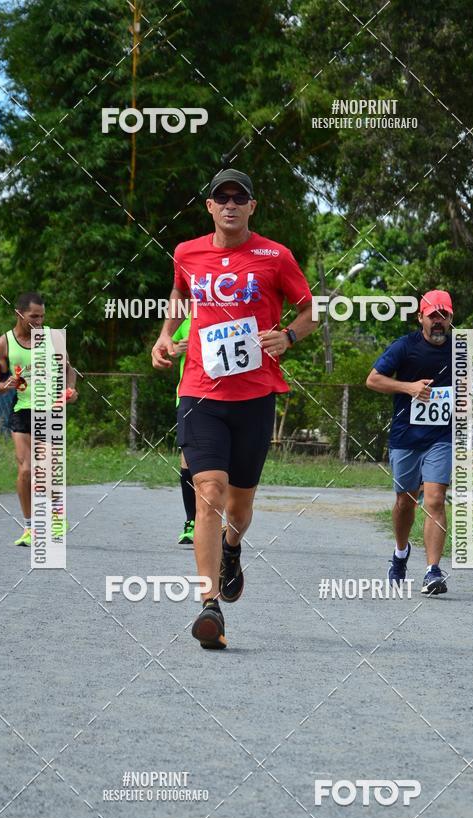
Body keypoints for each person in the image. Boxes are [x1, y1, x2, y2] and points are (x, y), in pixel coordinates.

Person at [152, 168, 317, 649]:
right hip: (199, 392)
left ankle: (232, 548)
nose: (229, 204)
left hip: (254, 396)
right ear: (209, 207)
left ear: (251, 206)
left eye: (238, 197)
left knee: (239, 509)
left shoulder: (274, 256)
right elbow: (181, 294)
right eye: (220, 197)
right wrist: (165, 335)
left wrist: (287, 335)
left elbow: (310, 311)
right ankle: (208, 605)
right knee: (209, 493)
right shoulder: (187, 253)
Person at [365, 290, 453, 595]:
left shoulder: (461, 350)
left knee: (435, 500)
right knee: (405, 501)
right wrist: (409, 387)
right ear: (421, 318)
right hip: (406, 438)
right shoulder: (405, 346)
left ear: (451, 318)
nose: (439, 322)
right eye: (433, 316)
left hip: (442, 438)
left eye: (444, 316)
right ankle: (400, 554)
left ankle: (432, 571)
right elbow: (373, 379)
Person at [0, 292, 78, 546]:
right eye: (34, 316)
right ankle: (30, 528)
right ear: (19, 314)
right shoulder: (4, 343)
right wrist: (7, 384)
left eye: (42, 316)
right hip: (21, 409)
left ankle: (57, 515)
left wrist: (71, 390)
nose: (39, 321)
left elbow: (69, 370)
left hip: (50, 409)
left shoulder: (53, 337)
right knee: (25, 470)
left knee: (46, 470)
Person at [171, 314, 196, 545]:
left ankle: (219, 519)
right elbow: (165, 350)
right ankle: (191, 522)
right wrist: (177, 348)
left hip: (226, 398)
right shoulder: (184, 321)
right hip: (188, 397)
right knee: (188, 460)